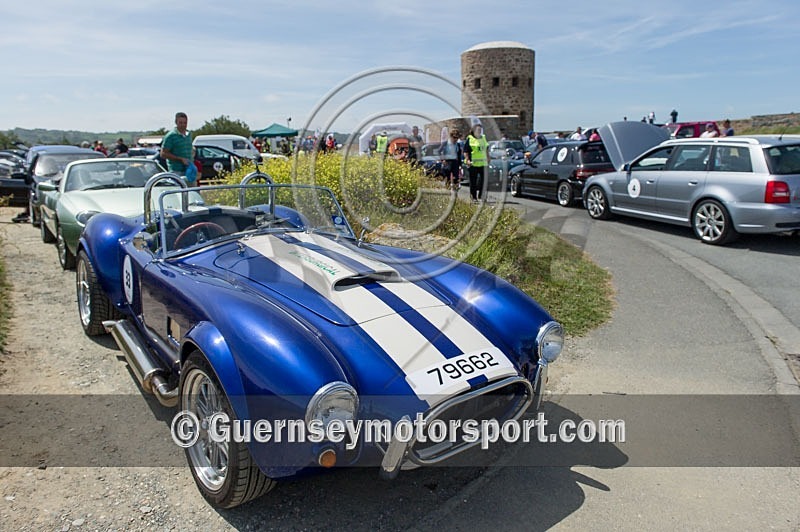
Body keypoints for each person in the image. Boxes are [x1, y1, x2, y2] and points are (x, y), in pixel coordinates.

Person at [161, 112, 196, 185]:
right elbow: (163, 153)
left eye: (185, 123)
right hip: (176, 171)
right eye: (180, 123)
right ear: (176, 122)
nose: (183, 125)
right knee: (179, 193)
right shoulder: (171, 136)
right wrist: (180, 159)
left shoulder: (189, 134)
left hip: (189, 169)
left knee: (192, 192)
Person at [463, 123, 489, 202]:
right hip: (473, 164)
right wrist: (467, 159)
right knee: (473, 182)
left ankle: (481, 195)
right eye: (478, 130)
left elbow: (486, 149)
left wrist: (488, 157)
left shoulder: (483, 138)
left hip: (483, 164)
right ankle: (473, 197)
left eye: (480, 130)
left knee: (483, 181)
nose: (479, 131)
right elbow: (466, 151)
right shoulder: (470, 139)